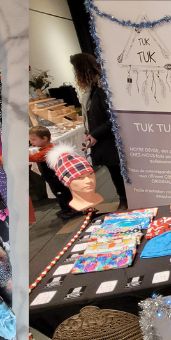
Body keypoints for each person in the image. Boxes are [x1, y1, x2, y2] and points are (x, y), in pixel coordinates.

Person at [70, 53, 128, 211]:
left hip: (110, 140)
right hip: (105, 140)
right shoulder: (93, 91)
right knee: (115, 170)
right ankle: (124, 199)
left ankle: (125, 200)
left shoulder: (101, 90)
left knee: (117, 171)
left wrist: (96, 133)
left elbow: (113, 117)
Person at [29, 126, 82, 220]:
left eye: (34, 140)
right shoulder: (50, 147)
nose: (31, 142)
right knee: (59, 193)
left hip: (54, 178)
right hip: (53, 177)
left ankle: (70, 210)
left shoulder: (47, 151)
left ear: (45, 138)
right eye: (30, 140)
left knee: (62, 194)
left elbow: (34, 157)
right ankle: (65, 209)